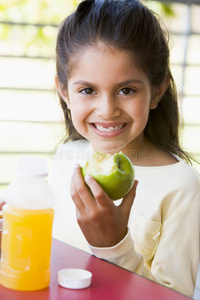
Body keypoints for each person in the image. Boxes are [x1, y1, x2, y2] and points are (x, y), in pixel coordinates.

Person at [49, 0, 200, 298]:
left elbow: (175, 295)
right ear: (64, 92)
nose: (107, 110)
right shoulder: (67, 156)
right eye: (88, 90)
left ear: (157, 91)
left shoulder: (181, 188)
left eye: (126, 90)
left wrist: (114, 245)